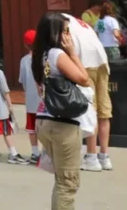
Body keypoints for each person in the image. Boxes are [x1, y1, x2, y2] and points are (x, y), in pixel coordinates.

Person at [33, 12, 92, 210]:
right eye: (65, 31)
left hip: (44, 120)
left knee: (61, 179)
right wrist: (73, 54)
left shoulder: (38, 56)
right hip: (63, 124)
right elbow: (84, 79)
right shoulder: (57, 55)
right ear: (55, 34)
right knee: (67, 183)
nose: (69, 36)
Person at [65, 10, 113, 172]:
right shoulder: (82, 25)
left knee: (90, 110)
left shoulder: (63, 24)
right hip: (102, 62)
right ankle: (104, 156)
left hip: (85, 63)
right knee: (104, 110)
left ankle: (91, 156)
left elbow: (66, 45)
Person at [16, 29, 42, 166]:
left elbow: (22, 81)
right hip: (45, 101)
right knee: (45, 127)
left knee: (32, 129)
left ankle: (35, 153)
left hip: (31, 101)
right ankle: (47, 153)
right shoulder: (45, 58)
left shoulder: (24, 61)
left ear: (26, 45)